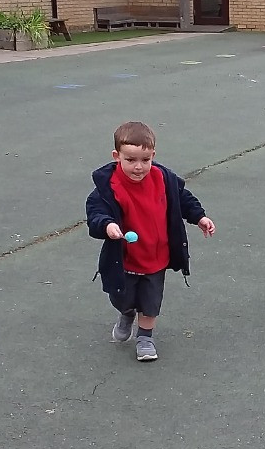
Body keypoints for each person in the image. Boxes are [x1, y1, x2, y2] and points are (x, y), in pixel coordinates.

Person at [86, 121, 216, 362]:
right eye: (131, 160)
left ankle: (145, 336)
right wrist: (107, 225)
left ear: (153, 156)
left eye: (145, 160)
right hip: (124, 259)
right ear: (117, 156)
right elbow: (96, 213)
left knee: (151, 301)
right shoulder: (108, 187)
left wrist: (200, 217)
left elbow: (183, 199)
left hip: (156, 257)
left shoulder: (163, 179)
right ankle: (126, 313)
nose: (139, 167)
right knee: (122, 298)